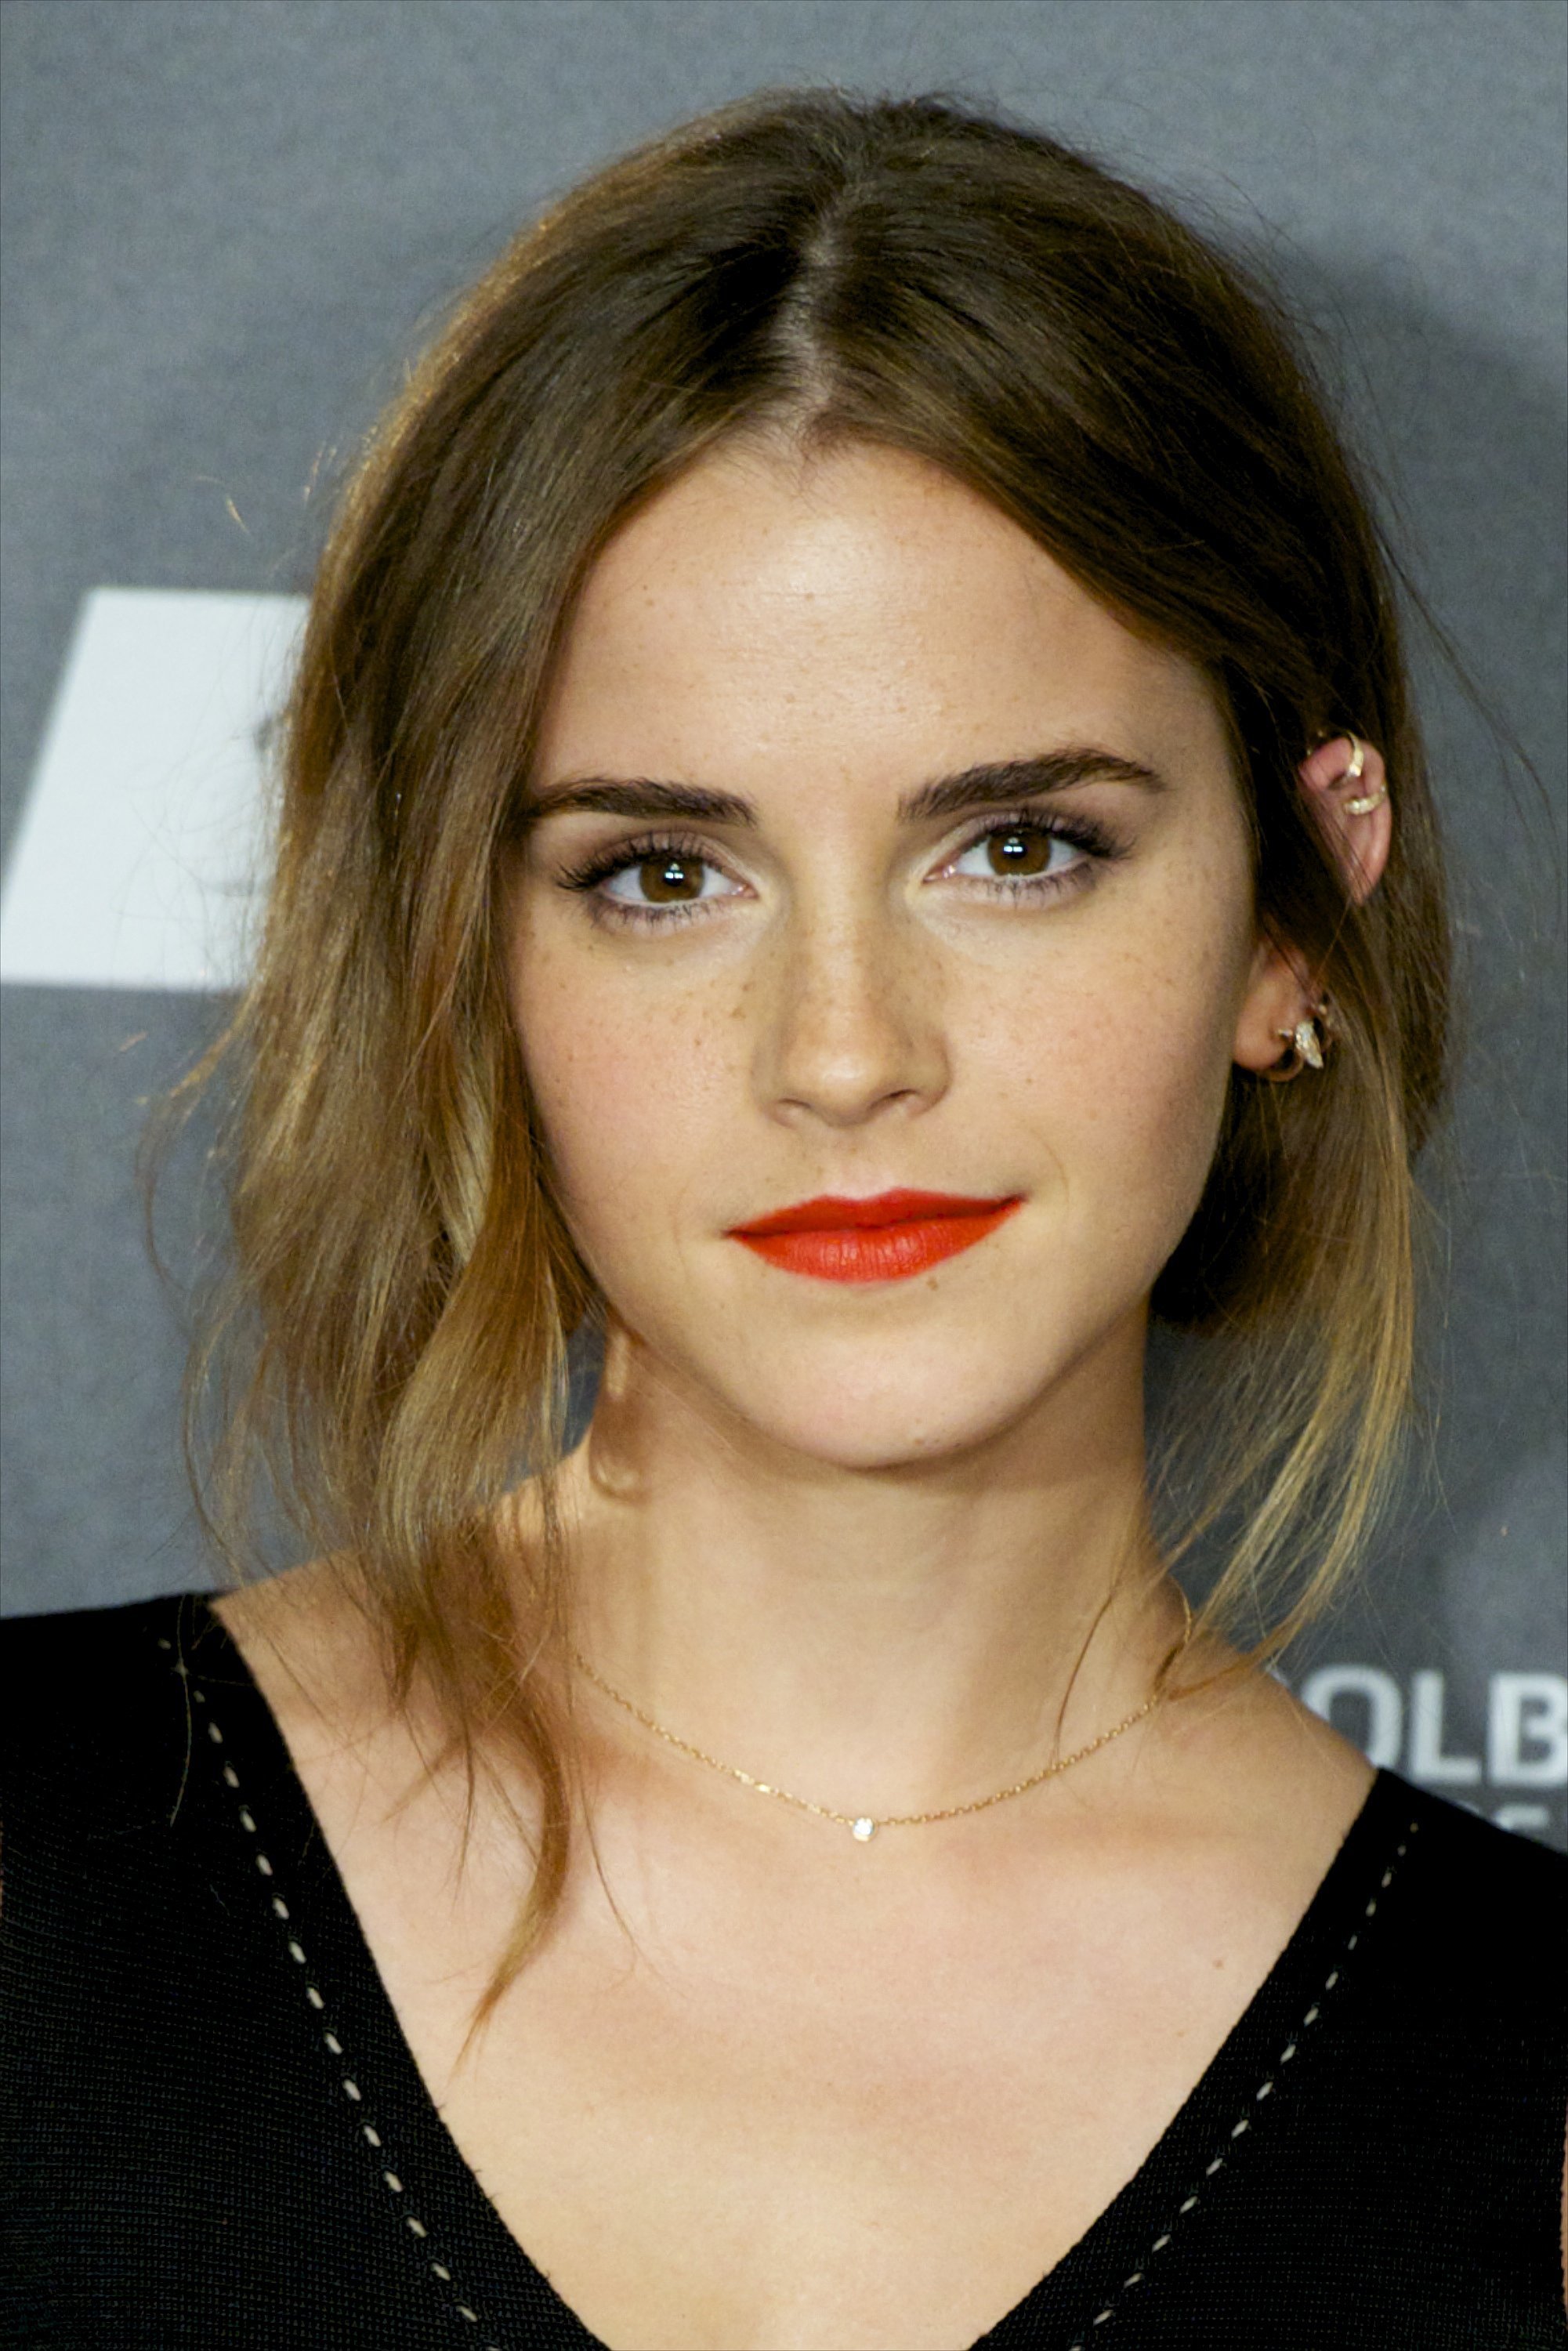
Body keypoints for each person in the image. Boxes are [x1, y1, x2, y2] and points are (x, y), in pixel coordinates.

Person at [2, 89, 1563, 2351]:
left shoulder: (1529, 2113)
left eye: (1016, 849)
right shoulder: (40, 1879)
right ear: (464, 956)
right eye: (664, 874)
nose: (841, 1054)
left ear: (1295, 909)